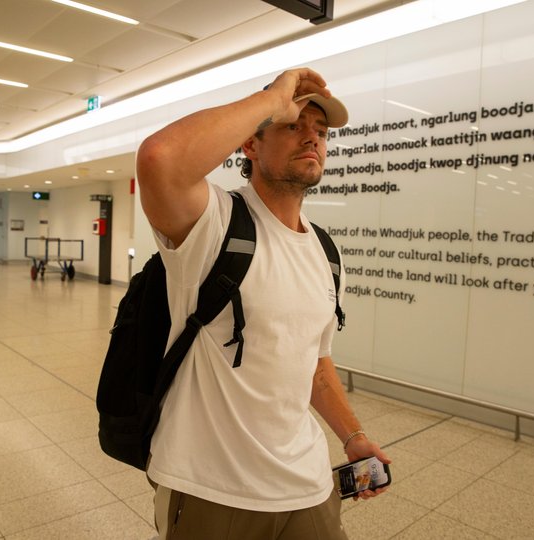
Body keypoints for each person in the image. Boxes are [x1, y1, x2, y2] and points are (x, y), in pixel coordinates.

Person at [136, 67, 390, 540]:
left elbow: (314, 362)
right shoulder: (214, 224)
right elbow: (159, 158)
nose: (311, 138)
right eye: (293, 126)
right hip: (210, 488)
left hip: (309, 486)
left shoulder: (324, 250)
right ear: (250, 146)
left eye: (320, 132)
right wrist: (273, 98)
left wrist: (353, 436)